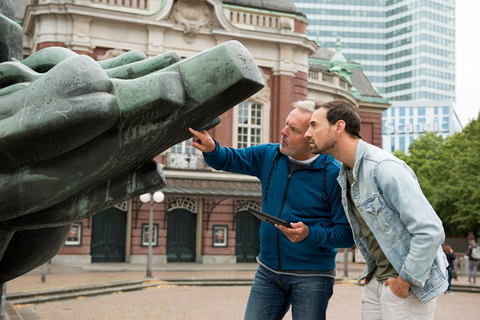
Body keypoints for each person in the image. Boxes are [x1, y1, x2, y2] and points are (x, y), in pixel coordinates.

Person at [189, 100, 355, 320]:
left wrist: (309, 234)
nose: (283, 132)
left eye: (293, 129)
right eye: (287, 124)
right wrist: (212, 148)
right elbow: (230, 158)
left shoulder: (334, 174)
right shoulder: (269, 155)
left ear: (310, 137)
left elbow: (347, 235)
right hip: (267, 271)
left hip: (313, 276)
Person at [305, 99, 448, 320]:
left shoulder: (383, 168)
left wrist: (404, 282)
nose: (307, 133)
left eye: (314, 125)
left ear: (339, 127)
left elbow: (430, 230)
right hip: (378, 280)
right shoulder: (346, 174)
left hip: (405, 287)